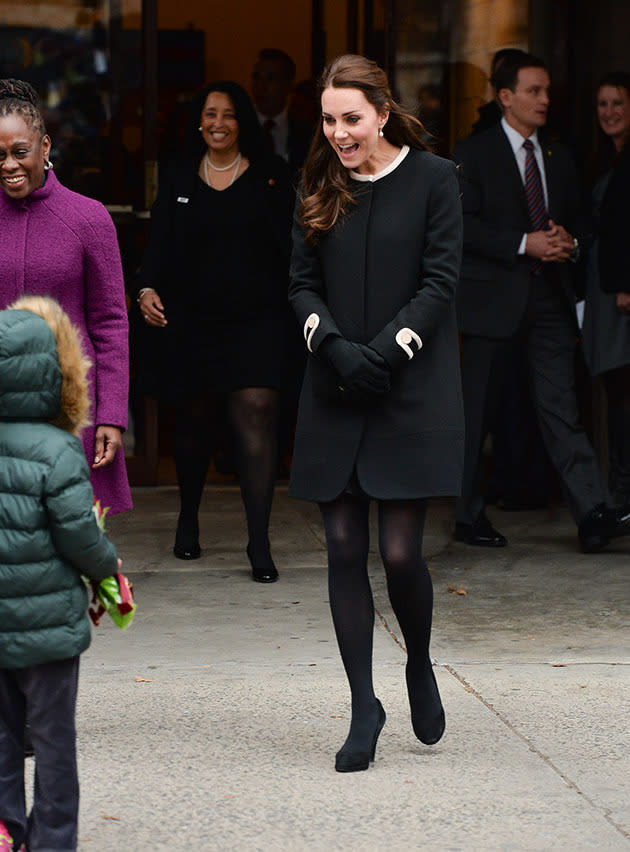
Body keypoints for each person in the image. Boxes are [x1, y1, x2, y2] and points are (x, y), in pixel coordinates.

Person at [289, 54, 464, 772]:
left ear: (383, 113)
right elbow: (298, 283)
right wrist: (331, 345)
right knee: (340, 546)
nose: (338, 132)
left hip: (408, 389)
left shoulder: (435, 179)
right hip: (333, 385)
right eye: (329, 119)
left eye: (351, 118)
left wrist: (387, 351)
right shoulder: (316, 180)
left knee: (398, 553)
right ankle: (364, 704)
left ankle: (417, 661)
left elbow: (442, 278)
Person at [452, 53, 630, 552]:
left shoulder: (558, 156)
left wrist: (568, 243)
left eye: (547, 91)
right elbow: (461, 226)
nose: (545, 99)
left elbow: (579, 224)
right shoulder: (474, 152)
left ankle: (592, 511)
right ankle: (467, 516)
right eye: (534, 91)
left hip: (549, 298)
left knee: (561, 409)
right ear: (505, 97)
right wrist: (522, 243)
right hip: (491, 303)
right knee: (478, 410)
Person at [136, 81, 293, 582]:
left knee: (257, 412)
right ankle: (188, 517)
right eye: (209, 114)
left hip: (257, 321)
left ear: (242, 121)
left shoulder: (271, 176)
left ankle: (259, 540)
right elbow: (156, 246)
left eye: (227, 114)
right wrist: (144, 290)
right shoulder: (181, 175)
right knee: (194, 422)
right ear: (198, 121)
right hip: (192, 321)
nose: (218, 123)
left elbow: (294, 251)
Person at [0, 296, 120, 852]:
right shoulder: (57, 452)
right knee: (52, 742)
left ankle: (5, 832)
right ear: (56, 372)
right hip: (48, 633)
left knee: (1, 742)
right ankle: (51, 840)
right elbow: (78, 534)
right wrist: (106, 567)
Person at [0, 78, 132, 516]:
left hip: (70, 409)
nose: (9, 165)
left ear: (45, 146)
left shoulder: (88, 218)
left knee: (70, 538)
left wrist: (111, 413)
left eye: (20, 152)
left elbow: (111, 322)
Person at [582, 71, 630, 507]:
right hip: (602, 288)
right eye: (602, 104)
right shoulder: (604, 157)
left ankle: (624, 488)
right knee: (615, 389)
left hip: (621, 292)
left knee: (624, 391)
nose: (609, 112)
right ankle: (620, 485)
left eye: (617, 103)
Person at [251, 48, 313, 173]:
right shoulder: (240, 128)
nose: (261, 86)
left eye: (270, 78)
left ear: (288, 85)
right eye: (257, 77)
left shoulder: (306, 133)